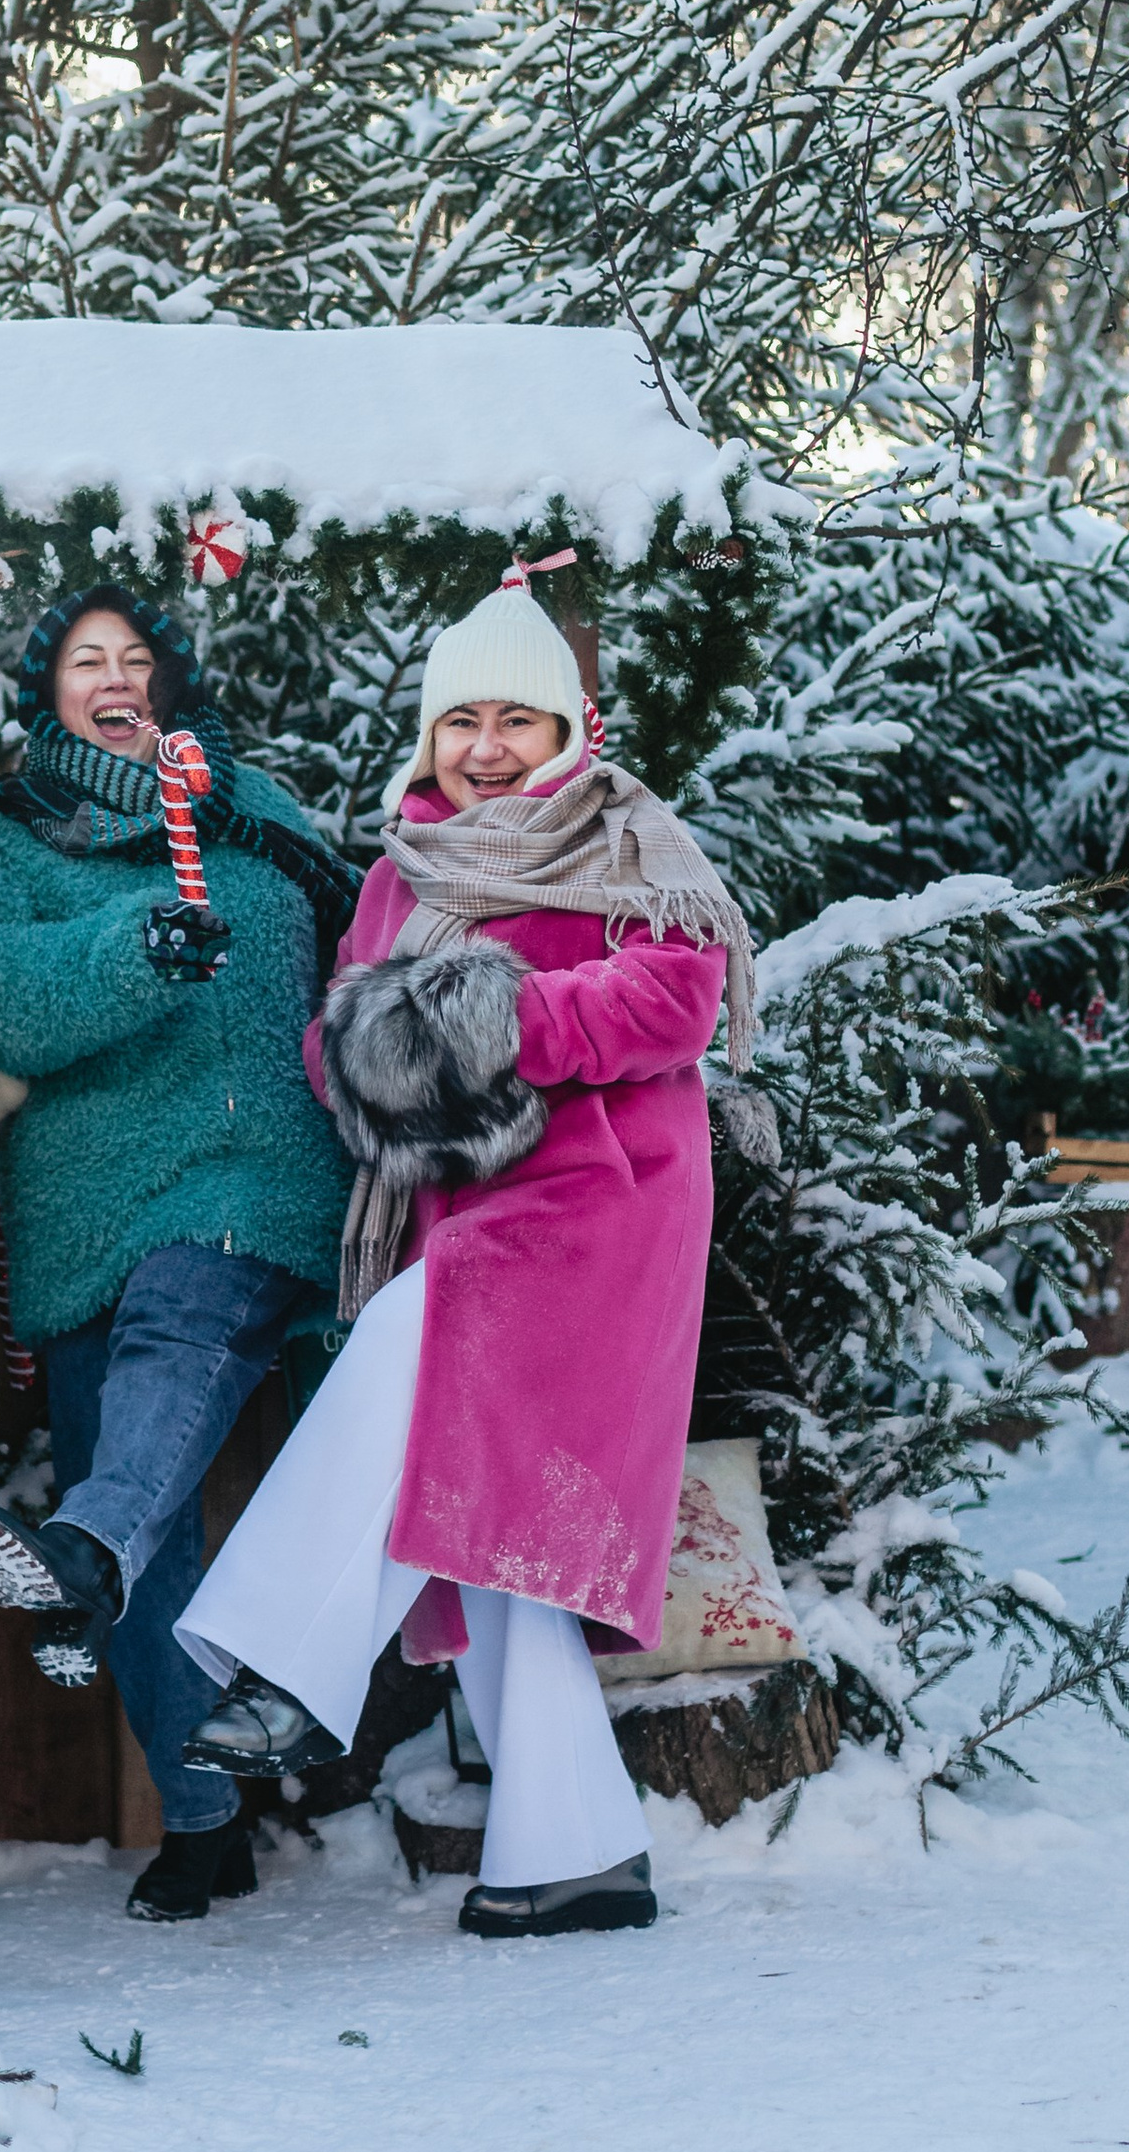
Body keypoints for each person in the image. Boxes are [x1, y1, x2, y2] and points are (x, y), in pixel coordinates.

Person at [173, 567, 757, 1940]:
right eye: (462, 721)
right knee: (487, 1520)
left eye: (517, 719)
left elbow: (674, 996)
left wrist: (479, 1022)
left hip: (601, 1208)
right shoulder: (400, 872)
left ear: (568, 733)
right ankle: (578, 1851)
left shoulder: (623, 839)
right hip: (463, 1203)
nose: (486, 745)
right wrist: (400, 1045)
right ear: (430, 736)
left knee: (406, 1357)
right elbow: (338, 1045)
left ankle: (290, 1658)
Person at [0, 584, 359, 1923]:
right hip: (83, 1206)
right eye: (84, 661)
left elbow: (368, 946)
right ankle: (204, 1815)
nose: (112, 679)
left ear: (170, 683)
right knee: (143, 1518)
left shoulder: (268, 813)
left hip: (256, 1174)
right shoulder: (3, 835)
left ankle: (82, 1548)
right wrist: (131, 948)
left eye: (135, 659)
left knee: (181, 1332)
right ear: (47, 690)